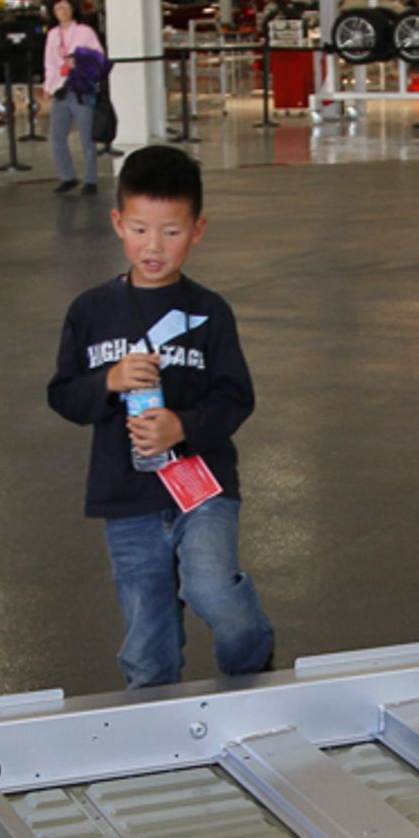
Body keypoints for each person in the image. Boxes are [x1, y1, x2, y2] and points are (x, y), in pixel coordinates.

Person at [47, 144, 275, 688]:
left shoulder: (210, 312)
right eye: (141, 229)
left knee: (212, 588)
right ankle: (158, 728)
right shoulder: (90, 311)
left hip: (203, 489)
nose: (154, 246)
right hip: (126, 499)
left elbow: (236, 397)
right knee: (147, 643)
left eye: (171, 232)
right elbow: (63, 395)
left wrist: (184, 426)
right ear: (117, 223)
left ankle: (253, 665)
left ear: (197, 230)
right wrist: (108, 381)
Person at [42, 0, 105, 196]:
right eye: (59, 8)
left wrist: (80, 60)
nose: (63, 11)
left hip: (80, 89)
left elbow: (98, 56)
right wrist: (47, 86)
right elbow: (49, 63)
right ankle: (67, 177)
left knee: (87, 137)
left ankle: (90, 179)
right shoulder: (53, 34)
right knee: (57, 137)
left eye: (66, 7)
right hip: (60, 90)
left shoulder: (85, 32)